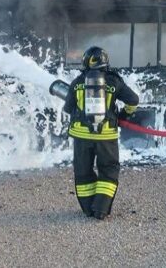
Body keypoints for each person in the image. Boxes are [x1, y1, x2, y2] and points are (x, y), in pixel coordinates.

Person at [62, 46, 139, 220]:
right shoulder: (114, 81)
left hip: (82, 135)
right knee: (108, 170)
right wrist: (124, 115)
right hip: (106, 136)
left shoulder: (78, 82)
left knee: (83, 171)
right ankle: (101, 210)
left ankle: (88, 209)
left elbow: (67, 108)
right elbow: (133, 100)